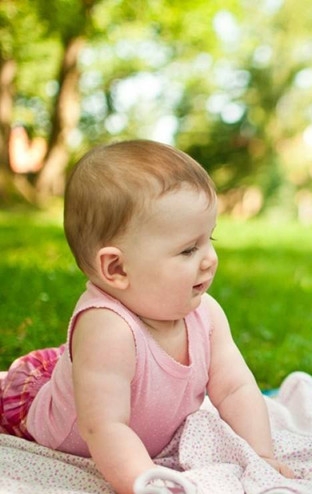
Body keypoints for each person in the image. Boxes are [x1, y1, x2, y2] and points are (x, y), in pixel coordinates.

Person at [0, 140, 293, 493]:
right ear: (117, 268)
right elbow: (106, 427)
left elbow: (235, 387)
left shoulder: (207, 315)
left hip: (101, 373)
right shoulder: (107, 329)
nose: (210, 258)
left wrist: (261, 455)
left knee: (95, 371)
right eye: (188, 249)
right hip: (40, 404)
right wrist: (145, 483)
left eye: (209, 238)